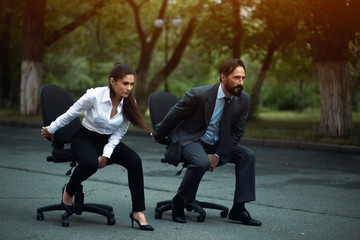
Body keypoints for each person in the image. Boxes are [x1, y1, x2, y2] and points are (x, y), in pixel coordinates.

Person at [41, 62, 154, 231]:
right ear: (112, 81)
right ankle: (69, 191)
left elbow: (119, 133)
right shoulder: (94, 95)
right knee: (90, 162)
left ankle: (137, 211)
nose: (129, 88)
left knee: (134, 161)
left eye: (131, 84)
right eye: (125, 83)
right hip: (85, 137)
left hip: (108, 140)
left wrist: (107, 154)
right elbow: (71, 113)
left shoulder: (130, 103)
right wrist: (51, 129)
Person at [151, 59, 261, 226]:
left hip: (217, 143)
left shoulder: (243, 99)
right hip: (192, 139)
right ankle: (179, 200)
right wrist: (159, 133)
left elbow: (237, 132)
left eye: (243, 78)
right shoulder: (199, 95)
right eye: (236, 77)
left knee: (247, 155)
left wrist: (218, 155)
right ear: (223, 77)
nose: (241, 82)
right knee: (201, 161)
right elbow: (175, 114)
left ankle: (238, 209)